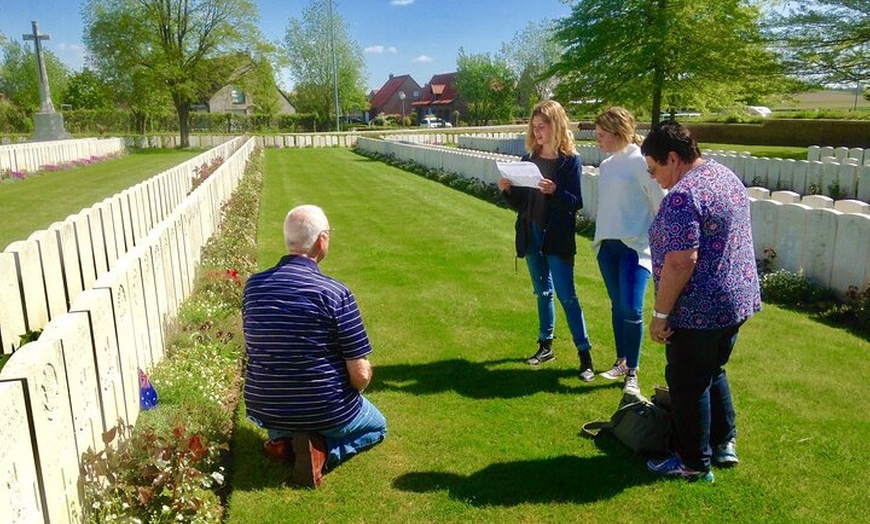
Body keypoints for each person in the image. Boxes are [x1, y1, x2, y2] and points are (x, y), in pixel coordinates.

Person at [641, 122, 761, 483]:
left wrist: (660, 314)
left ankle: (693, 463)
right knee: (712, 370)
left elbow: (681, 261)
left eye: (653, 168)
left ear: (672, 158)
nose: (653, 177)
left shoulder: (682, 195)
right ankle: (724, 443)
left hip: (699, 309)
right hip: (735, 300)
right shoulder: (724, 176)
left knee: (687, 383)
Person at [242, 204, 387, 488]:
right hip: (324, 408)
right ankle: (323, 452)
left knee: (287, 418)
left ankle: (284, 442)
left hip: (266, 405)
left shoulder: (253, 287)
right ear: (322, 240)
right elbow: (360, 375)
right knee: (377, 426)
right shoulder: (335, 293)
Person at [497, 100, 595, 380]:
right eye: (535, 127)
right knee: (542, 293)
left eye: (542, 126)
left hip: (557, 237)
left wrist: (555, 191)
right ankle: (545, 345)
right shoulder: (529, 159)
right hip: (531, 232)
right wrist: (507, 190)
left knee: (567, 296)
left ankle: (585, 355)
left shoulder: (569, 161)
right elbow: (521, 203)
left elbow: (575, 203)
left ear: (556, 125)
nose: (537, 132)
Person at [592, 108, 666, 394]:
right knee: (617, 305)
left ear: (618, 132)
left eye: (602, 135)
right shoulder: (607, 165)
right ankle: (621, 361)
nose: (597, 140)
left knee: (632, 308)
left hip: (634, 247)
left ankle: (633, 370)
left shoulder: (640, 162)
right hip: (607, 246)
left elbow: (660, 203)